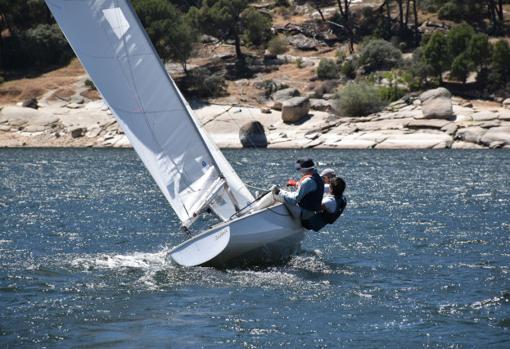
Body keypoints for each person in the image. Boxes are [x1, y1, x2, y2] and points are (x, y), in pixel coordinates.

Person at [272, 158, 324, 227]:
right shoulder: (318, 177)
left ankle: (259, 212)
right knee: (285, 194)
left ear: (303, 169)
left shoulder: (308, 181)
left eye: (298, 169)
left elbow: (294, 199)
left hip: (304, 214)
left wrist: (279, 192)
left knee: (274, 193)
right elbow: (308, 187)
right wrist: (296, 183)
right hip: (310, 213)